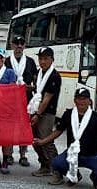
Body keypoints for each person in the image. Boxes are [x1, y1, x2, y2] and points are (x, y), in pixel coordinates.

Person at [34, 88, 97, 189]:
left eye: (84, 99)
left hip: (92, 155)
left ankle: (95, 178)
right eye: (79, 98)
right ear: (74, 100)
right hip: (72, 153)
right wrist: (43, 141)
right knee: (56, 162)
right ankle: (75, 175)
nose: (81, 101)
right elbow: (58, 131)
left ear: (89, 101)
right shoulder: (68, 114)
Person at [29, 47, 62, 178]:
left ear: (52, 59)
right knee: (35, 140)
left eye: (46, 59)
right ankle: (45, 165)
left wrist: (38, 115)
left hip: (46, 113)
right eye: (40, 58)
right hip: (35, 110)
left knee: (46, 141)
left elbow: (47, 98)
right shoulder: (39, 73)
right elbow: (38, 91)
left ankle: (57, 169)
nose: (42, 61)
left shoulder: (54, 76)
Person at [4, 35, 36, 167]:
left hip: (26, 99)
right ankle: (9, 154)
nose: (19, 46)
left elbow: (35, 80)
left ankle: (23, 155)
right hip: (10, 101)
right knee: (11, 127)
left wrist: (32, 88)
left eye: (21, 43)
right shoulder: (6, 61)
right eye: (16, 43)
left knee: (24, 128)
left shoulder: (30, 62)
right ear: (11, 45)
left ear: (24, 46)